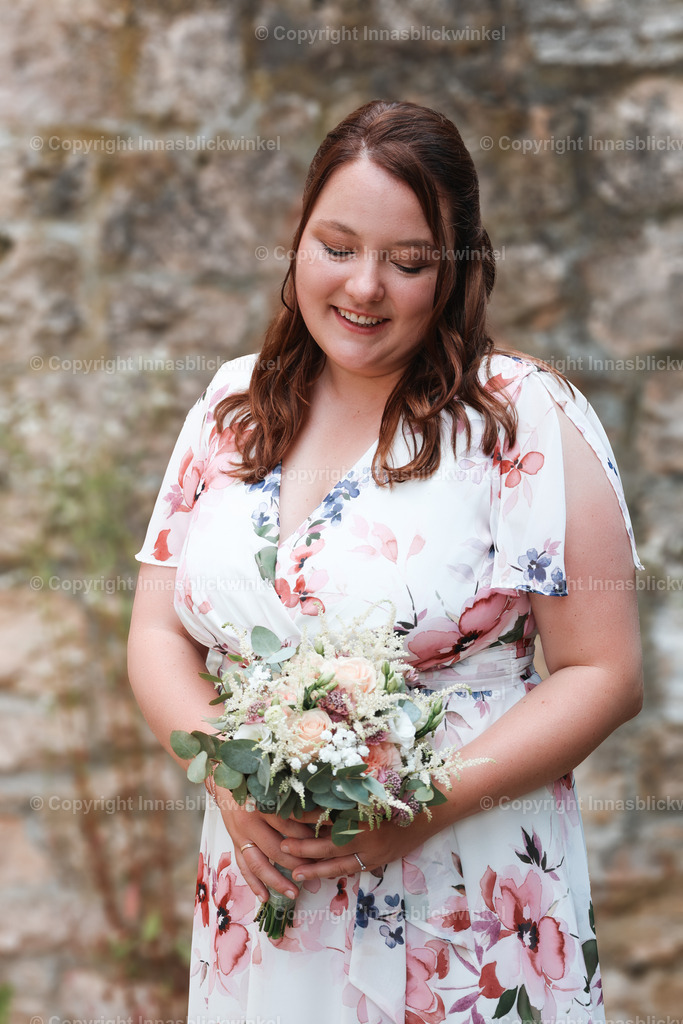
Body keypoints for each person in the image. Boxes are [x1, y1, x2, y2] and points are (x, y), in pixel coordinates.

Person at [128, 100, 643, 1024]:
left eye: (406, 262)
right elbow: (158, 633)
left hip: (459, 896)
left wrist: (418, 809)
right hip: (264, 890)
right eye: (336, 247)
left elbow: (602, 672)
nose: (363, 286)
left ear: (455, 271)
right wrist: (222, 772)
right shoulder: (229, 406)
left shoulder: (520, 419)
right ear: (296, 244)